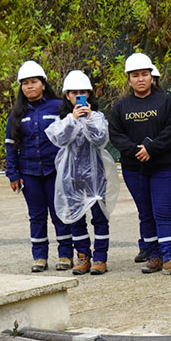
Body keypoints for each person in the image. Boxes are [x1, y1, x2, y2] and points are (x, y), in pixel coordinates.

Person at [107, 52, 171, 276]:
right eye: (135, 75)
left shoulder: (166, 102)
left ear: (152, 77)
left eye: (144, 74)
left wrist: (151, 149)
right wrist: (135, 151)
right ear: (129, 79)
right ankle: (154, 256)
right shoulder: (121, 107)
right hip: (134, 169)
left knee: (162, 212)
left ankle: (170, 257)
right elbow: (115, 134)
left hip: (162, 168)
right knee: (145, 213)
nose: (140, 79)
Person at [4, 61, 71, 273]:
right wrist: (13, 173)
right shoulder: (16, 114)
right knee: (37, 216)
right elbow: (10, 145)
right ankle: (39, 256)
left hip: (55, 171)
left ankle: (65, 254)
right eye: (24, 83)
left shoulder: (58, 107)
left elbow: (69, 137)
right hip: (29, 173)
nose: (29, 86)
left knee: (59, 213)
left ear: (43, 84)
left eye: (33, 82)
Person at [48, 71, 117, 275]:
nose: (79, 96)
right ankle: (83, 256)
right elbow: (59, 139)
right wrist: (73, 120)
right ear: (67, 96)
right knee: (76, 217)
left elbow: (100, 140)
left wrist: (86, 120)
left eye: (83, 92)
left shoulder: (97, 117)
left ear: (89, 94)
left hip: (95, 174)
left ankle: (100, 258)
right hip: (71, 175)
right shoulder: (63, 119)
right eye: (74, 92)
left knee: (99, 216)